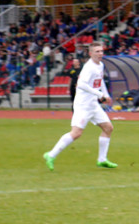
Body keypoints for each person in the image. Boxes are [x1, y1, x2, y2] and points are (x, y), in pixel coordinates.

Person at [43, 42, 116, 171]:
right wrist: (99, 94)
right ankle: (51, 155)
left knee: (108, 128)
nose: (100, 54)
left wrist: (105, 94)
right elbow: (81, 84)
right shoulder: (89, 67)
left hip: (93, 104)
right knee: (76, 133)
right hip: (83, 105)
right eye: (97, 51)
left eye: (101, 51)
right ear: (90, 53)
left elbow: (100, 81)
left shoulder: (101, 65)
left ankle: (102, 160)